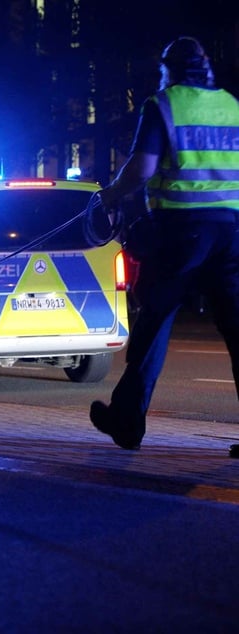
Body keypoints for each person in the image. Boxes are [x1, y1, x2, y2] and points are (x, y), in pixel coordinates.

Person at [90, 36, 239, 453]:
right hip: (231, 233)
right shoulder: (232, 105)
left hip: (181, 233)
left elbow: (141, 169)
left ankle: (127, 420)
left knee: (154, 324)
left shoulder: (164, 104)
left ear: (169, 70)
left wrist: (110, 197)